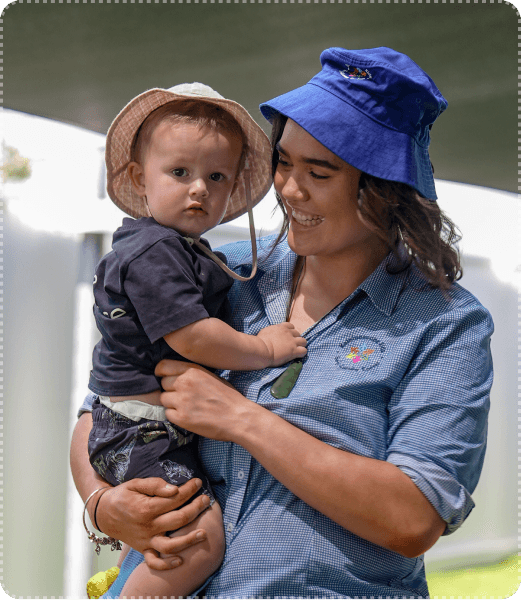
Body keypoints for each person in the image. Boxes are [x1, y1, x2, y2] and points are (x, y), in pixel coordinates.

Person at [71, 47, 493, 599]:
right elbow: (101, 407)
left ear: (387, 190)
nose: (289, 190)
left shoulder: (447, 325)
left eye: (319, 172)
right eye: (284, 163)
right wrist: (103, 505)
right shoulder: (227, 270)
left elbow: (414, 520)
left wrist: (243, 420)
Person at [85, 82, 307, 599]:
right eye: (180, 172)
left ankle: (123, 582)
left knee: (166, 535)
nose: (199, 189)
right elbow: (193, 337)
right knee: (196, 539)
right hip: (141, 428)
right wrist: (267, 350)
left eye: (216, 176)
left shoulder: (181, 250)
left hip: (140, 425)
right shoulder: (154, 253)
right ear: (140, 179)